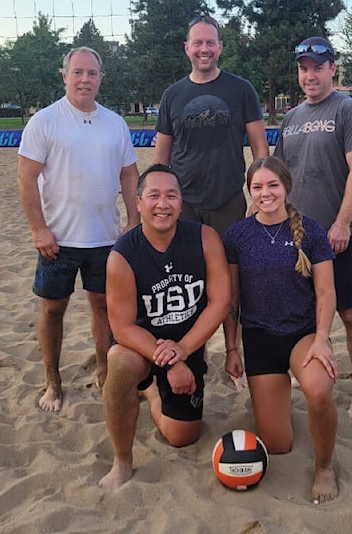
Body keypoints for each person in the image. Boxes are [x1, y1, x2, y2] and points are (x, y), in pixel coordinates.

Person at [17, 46, 140, 413]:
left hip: (105, 238)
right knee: (53, 310)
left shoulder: (114, 123)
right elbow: (26, 176)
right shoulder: (45, 121)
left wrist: (133, 220)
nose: (85, 79)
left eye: (92, 73)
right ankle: (53, 381)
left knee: (103, 309)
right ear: (65, 75)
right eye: (78, 72)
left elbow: (129, 173)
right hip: (57, 239)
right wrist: (39, 229)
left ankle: (105, 373)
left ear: (101, 78)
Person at [99, 164, 230, 489]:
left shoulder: (204, 238)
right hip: (140, 346)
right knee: (121, 364)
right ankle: (123, 460)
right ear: (138, 202)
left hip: (186, 342)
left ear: (181, 202)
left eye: (171, 195)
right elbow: (123, 326)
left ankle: (152, 392)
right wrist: (171, 360)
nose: (163, 204)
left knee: (182, 437)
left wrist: (183, 350)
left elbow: (220, 303)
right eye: (154, 195)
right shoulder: (122, 255)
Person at [223, 156, 339, 504]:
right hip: (260, 338)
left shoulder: (312, 231)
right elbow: (231, 300)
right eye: (257, 187)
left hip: (303, 334)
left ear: (287, 187)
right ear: (250, 191)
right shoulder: (238, 235)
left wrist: (321, 339)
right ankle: (277, 395)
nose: (265, 192)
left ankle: (324, 467)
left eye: (273, 185)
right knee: (277, 444)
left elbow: (326, 292)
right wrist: (232, 349)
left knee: (318, 392)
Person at [273, 36, 352, 422]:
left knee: (350, 313)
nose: (310, 74)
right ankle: (311, 365)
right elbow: (280, 175)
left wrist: (343, 222)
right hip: (296, 232)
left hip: (336, 232)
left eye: (317, 66)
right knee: (303, 310)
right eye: (304, 67)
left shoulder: (349, 110)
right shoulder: (291, 117)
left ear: (333, 68)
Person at [152, 15, 270, 239]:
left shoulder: (242, 90)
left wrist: (259, 197)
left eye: (210, 43)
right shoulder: (172, 95)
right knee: (186, 271)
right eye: (197, 43)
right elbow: (160, 157)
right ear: (187, 48)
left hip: (228, 200)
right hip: (182, 202)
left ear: (220, 47)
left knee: (230, 270)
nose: (204, 49)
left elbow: (259, 148)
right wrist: (158, 201)